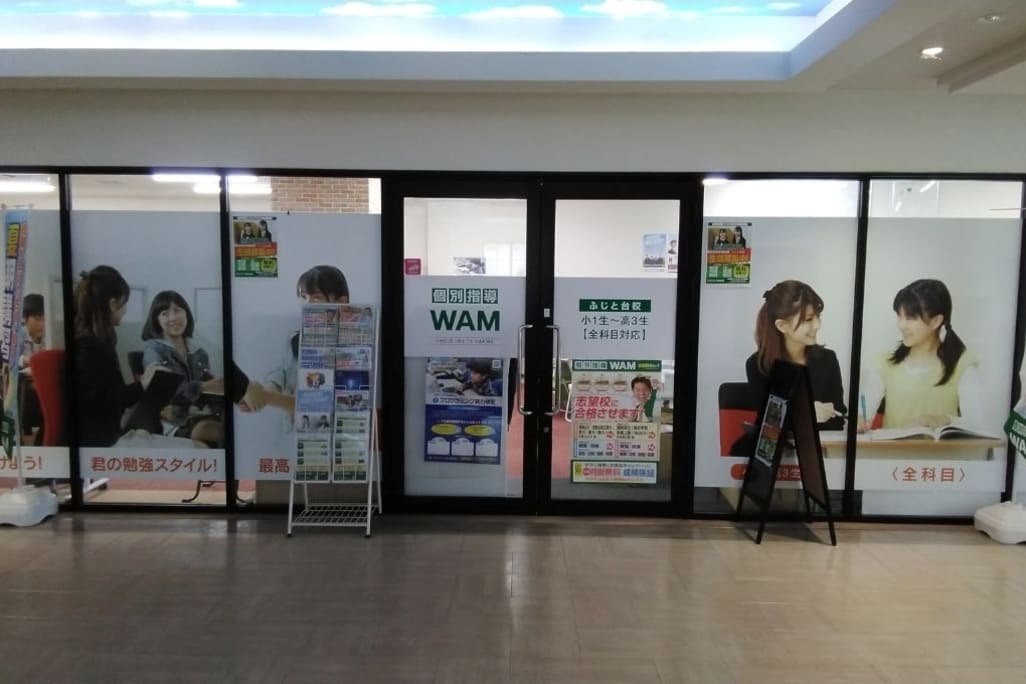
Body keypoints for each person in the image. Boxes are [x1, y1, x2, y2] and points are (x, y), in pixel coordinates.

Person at [859, 279, 981, 431]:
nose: (901, 325)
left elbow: (976, 425)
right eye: (899, 316)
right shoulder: (884, 363)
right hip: (893, 447)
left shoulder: (963, 364)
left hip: (942, 448)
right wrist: (859, 419)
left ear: (936, 321)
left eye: (910, 318)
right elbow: (863, 413)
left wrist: (943, 420)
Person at [745, 280, 846, 430]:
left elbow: (838, 416)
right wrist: (806, 413)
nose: (817, 325)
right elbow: (770, 426)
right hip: (784, 444)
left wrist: (845, 419)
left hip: (822, 442)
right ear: (782, 326)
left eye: (818, 316)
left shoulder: (827, 359)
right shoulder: (759, 365)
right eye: (808, 319)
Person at [141, 290, 223, 446]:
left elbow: (211, 387)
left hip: (203, 413)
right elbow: (162, 392)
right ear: (156, 320)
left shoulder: (199, 352)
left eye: (177, 310)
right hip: (174, 421)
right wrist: (203, 386)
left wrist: (218, 385)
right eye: (165, 314)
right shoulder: (153, 350)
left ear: (186, 314)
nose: (173, 318)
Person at [264, 265, 350, 411]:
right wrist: (265, 394)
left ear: (341, 302)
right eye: (304, 297)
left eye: (317, 297)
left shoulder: (353, 343)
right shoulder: (296, 338)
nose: (308, 304)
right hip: (294, 422)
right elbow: (280, 373)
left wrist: (267, 398)